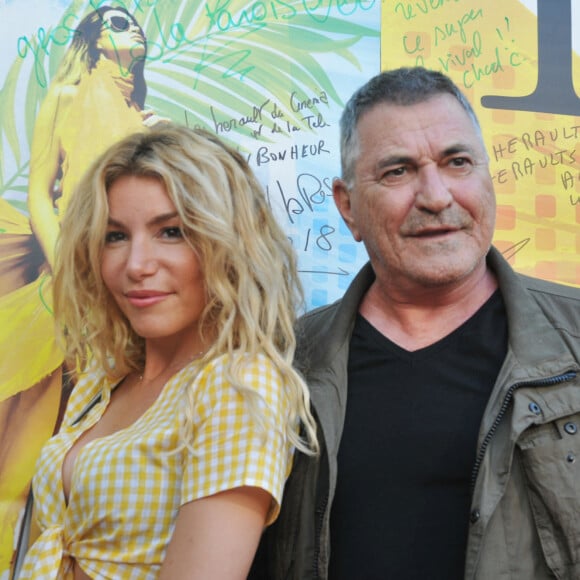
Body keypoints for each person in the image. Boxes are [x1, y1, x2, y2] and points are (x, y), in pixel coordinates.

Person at [251, 67, 580, 579]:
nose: (435, 196)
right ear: (348, 207)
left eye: (458, 162)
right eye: (397, 171)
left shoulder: (574, 342)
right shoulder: (281, 366)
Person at [17, 123, 318, 579]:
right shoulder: (106, 378)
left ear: (228, 243)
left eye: (171, 231)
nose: (136, 265)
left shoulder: (239, 385)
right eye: (115, 236)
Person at [0, 7, 160, 568]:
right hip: (65, 275)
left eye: (136, 23)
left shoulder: (144, 114)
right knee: (30, 426)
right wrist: (68, 266)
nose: (132, 28)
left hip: (122, 286)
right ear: (91, 38)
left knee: (85, 432)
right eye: (117, 22)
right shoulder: (65, 95)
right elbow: (41, 192)